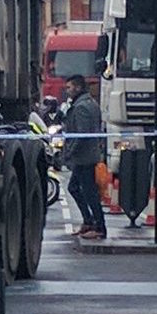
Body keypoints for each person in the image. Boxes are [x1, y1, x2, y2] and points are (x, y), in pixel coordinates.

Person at [63, 74, 106, 240]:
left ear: (78, 88)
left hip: (84, 157)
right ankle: (88, 221)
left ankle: (99, 226)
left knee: (90, 192)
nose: (67, 91)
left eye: (69, 87)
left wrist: (69, 152)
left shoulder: (81, 107)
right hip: (87, 155)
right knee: (74, 188)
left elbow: (82, 134)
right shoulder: (90, 103)